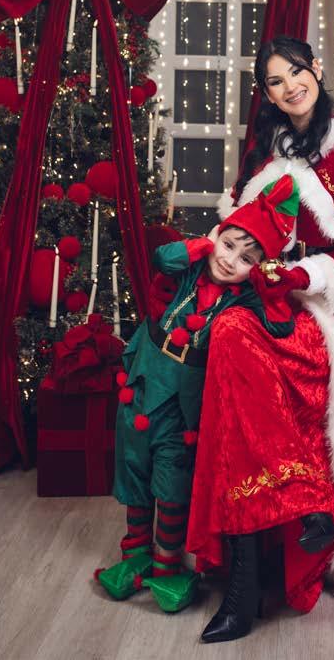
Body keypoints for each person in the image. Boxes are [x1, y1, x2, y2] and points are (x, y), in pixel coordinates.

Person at [172, 35, 334, 642]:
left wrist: (302, 276)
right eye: (275, 81)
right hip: (260, 300)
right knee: (229, 341)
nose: (290, 87)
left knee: (235, 347)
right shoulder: (266, 148)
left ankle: (250, 585)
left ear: (316, 70)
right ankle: (262, 557)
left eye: (297, 72)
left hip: (322, 312)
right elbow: (240, 231)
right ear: (266, 94)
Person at [95, 176, 307, 616]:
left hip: (184, 400)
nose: (230, 261)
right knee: (134, 467)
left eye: (246, 259)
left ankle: (167, 565)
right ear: (217, 237)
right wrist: (204, 245)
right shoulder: (191, 268)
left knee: (171, 480)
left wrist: (267, 281)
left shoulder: (244, 299)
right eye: (229, 246)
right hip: (145, 378)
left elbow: (281, 324)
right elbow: (163, 257)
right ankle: (134, 554)